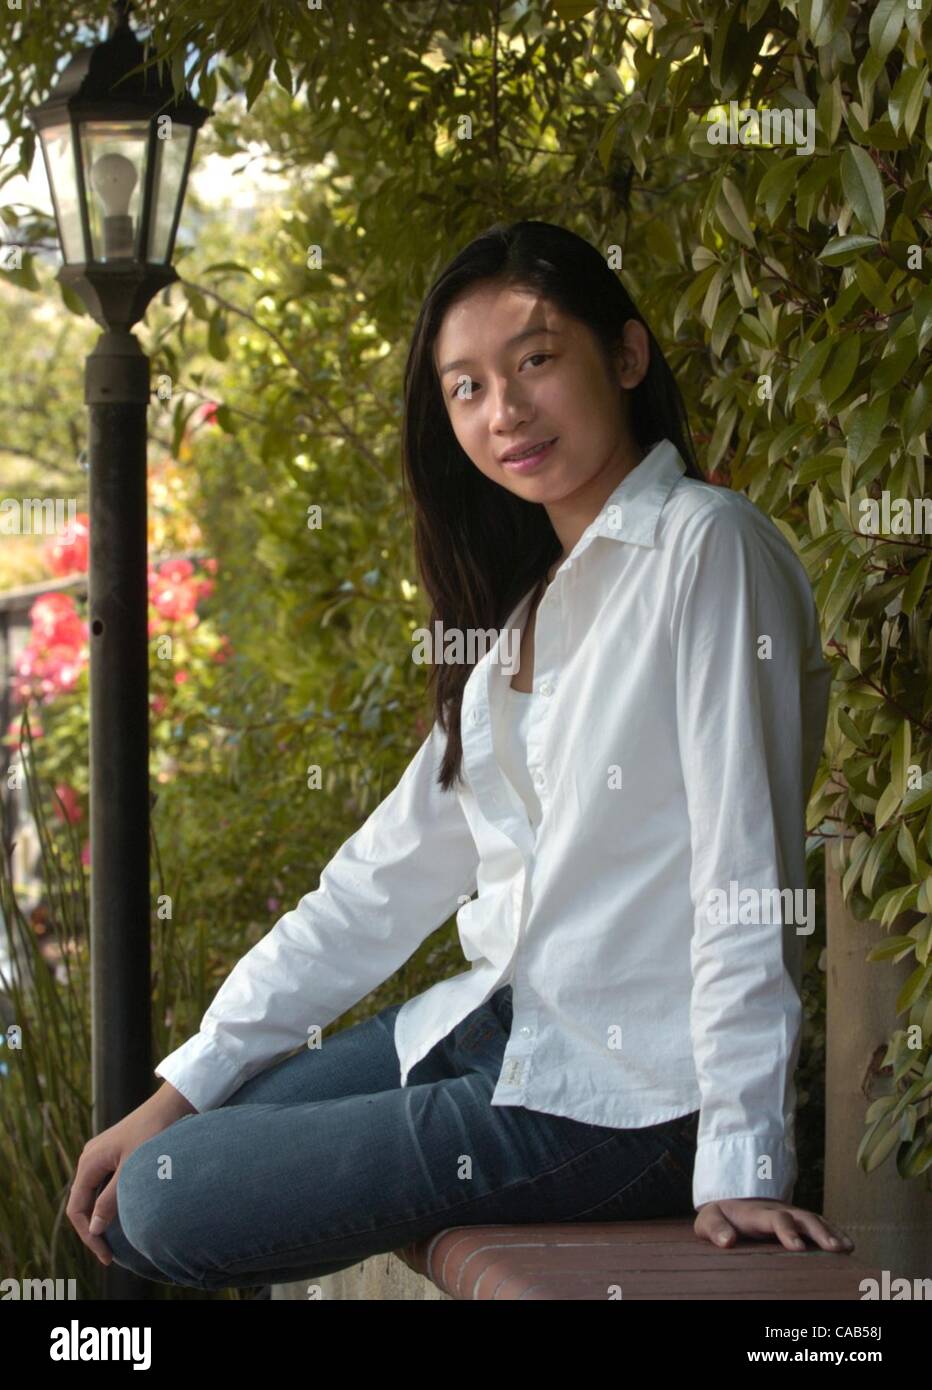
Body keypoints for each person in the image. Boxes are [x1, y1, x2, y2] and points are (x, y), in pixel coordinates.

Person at [67, 219, 854, 1292]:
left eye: (534, 359)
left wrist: (743, 1155)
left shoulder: (705, 549)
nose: (505, 411)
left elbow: (743, 872)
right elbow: (372, 888)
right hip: (494, 1026)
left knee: (168, 1197)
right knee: (167, 1150)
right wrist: (177, 1086)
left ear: (623, 357)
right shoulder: (525, 623)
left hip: (625, 1096)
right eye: (465, 388)